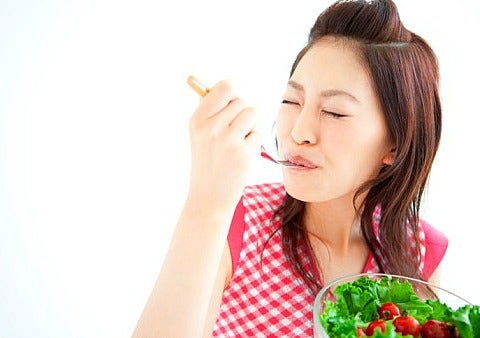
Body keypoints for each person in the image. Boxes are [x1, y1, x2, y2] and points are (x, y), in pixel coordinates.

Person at [132, 0, 447, 336]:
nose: (298, 132)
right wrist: (206, 202)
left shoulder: (420, 251)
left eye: (335, 112)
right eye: (291, 101)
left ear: (394, 144)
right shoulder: (235, 224)